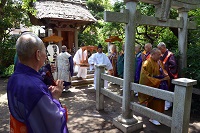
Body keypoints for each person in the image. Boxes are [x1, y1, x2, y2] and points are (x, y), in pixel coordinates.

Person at [7, 33, 69, 133]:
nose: (46, 55)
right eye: (45, 51)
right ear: (38, 54)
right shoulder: (36, 89)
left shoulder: (13, 79)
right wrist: (55, 98)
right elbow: (54, 121)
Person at [138, 48, 170, 126]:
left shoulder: (159, 62)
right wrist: (159, 80)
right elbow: (144, 77)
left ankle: (158, 116)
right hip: (153, 83)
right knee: (154, 101)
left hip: (160, 84)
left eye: (160, 54)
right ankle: (153, 117)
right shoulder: (147, 63)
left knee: (161, 101)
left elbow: (163, 70)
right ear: (152, 55)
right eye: (158, 54)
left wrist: (166, 75)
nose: (160, 56)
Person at [157, 42, 178, 110]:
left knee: (169, 89)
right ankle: (164, 103)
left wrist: (165, 70)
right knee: (163, 88)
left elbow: (173, 65)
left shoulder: (170, 55)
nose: (159, 50)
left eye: (159, 49)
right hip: (162, 75)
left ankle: (168, 104)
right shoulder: (161, 55)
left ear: (163, 47)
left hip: (168, 75)